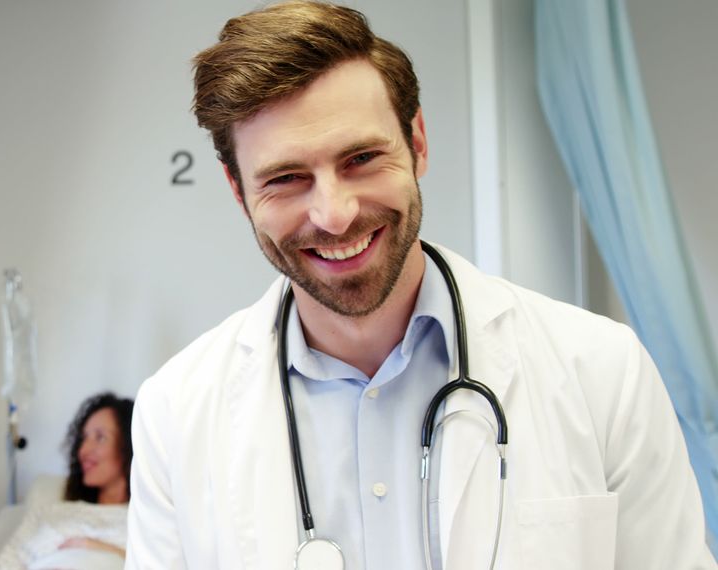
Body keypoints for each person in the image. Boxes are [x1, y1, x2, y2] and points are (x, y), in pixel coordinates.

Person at [125, 2, 716, 569]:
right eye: (286, 177)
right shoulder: (176, 414)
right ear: (238, 193)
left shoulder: (602, 372)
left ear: (418, 143)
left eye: (360, 158)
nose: (334, 214)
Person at [0, 392, 135, 569]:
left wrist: (94, 546)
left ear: (130, 446)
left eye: (100, 437)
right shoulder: (49, 513)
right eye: (83, 439)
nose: (84, 450)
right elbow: (5, 565)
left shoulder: (147, 521)